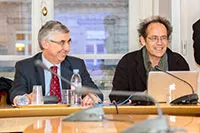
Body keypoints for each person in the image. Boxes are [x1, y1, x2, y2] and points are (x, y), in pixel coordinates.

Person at [9, 20, 103, 106]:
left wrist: (92, 97)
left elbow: (97, 93)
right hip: (37, 119)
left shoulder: (77, 64)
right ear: (45, 44)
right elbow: (17, 93)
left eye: (68, 42)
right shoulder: (25, 67)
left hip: (69, 119)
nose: (67, 48)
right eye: (62, 43)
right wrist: (25, 99)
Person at [109, 16, 190, 103]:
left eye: (163, 38)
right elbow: (116, 97)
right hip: (138, 115)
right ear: (143, 40)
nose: (159, 43)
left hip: (172, 114)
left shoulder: (178, 62)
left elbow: (188, 95)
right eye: (154, 38)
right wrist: (139, 97)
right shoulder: (128, 62)